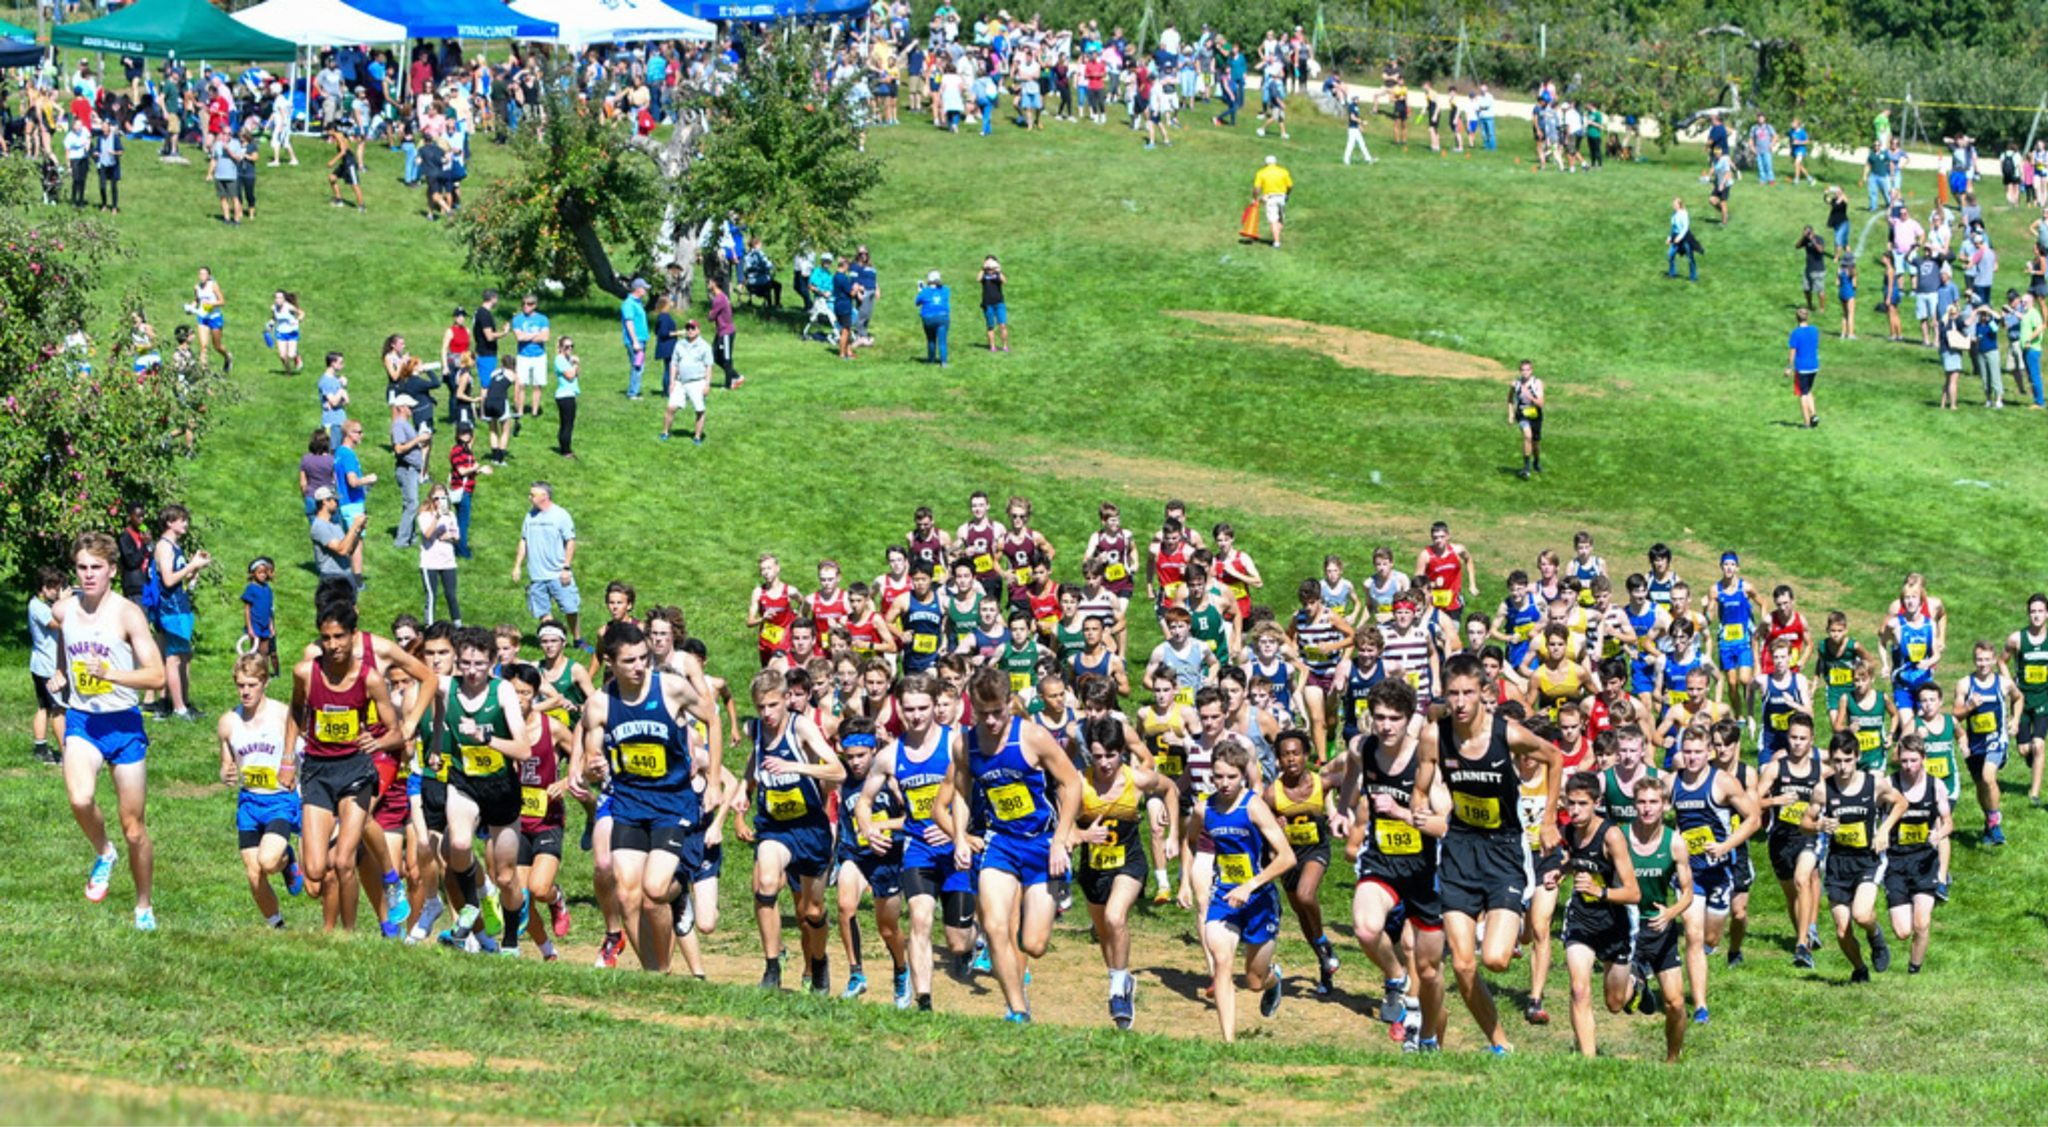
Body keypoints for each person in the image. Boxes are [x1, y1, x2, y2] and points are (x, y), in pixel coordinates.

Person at [1412, 652, 1561, 1054]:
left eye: (1467, 693)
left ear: (1484, 693)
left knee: (1495, 959)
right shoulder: (1435, 735)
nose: (1459, 702)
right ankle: (1500, 1045)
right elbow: (1421, 786)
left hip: (1504, 851)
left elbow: (1555, 756)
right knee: (1462, 964)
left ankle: (1519, 924)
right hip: (1460, 847)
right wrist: (1418, 806)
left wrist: (1549, 819)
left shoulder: (1507, 734)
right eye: (1452, 694)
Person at [933, 666, 1083, 1022]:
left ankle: (1052, 896)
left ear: (1009, 704)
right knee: (996, 926)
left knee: (1033, 944)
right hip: (999, 842)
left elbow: (1071, 783)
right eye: (982, 714)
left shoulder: (1031, 736)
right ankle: (1017, 1010)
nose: (990, 722)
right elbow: (962, 794)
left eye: (997, 712)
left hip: (1042, 844)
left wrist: (1062, 839)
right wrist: (959, 837)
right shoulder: (964, 745)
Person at [50, 533, 167, 928]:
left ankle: (143, 905)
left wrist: (112, 674)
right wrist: (61, 672)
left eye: (96, 568)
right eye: (82, 567)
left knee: (134, 828)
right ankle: (104, 852)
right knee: (80, 799)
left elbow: (157, 676)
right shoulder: (65, 610)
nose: (88, 575)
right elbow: (65, 641)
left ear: (112, 571)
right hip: (83, 720)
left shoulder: (127, 614)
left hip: (123, 724)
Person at [287, 597, 402, 931]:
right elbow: (296, 711)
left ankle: (348, 934)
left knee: (343, 861)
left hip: (355, 771)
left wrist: (378, 742)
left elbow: (396, 732)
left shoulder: (370, 679)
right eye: (326, 638)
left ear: (354, 636)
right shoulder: (305, 673)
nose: (333, 644)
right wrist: (286, 759)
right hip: (317, 772)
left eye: (339, 636)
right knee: (314, 868)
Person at [739, 667, 845, 992]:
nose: (767, 713)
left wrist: (796, 766)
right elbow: (753, 766)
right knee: (767, 884)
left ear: (787, 699)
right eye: (761, 707)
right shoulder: (757, 731)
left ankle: (819, 961)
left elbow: (838, 771)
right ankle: (772, 968)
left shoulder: (802, 728)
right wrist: (742, 797)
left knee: (812, 910)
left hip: (810, 828)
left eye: (772, 705)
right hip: (774, 827)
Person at [1071, 713, 1177, 1028]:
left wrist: (1172, 834)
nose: (1104, 763)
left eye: (1111, 756)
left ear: (1122, 753)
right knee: (1106, 935)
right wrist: (1083, 835)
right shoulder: (1079, 784)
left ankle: (1117, 988)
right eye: (1098, 756)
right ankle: (1122, 979)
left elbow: (1170, 788)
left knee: (1116, 918)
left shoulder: (1137, 779)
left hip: (1130, 864)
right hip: (1093, 871)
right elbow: (1061, 832)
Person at [432, 626, 531, 952]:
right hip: (464, 783)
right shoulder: (447, 687)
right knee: (458, 844)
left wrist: (486, 738)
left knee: (506, 877)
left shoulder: (501, 692)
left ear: (492, 663)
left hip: (501, 790)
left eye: (479, 664)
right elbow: (436, 710)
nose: (471, 672)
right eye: (465, 664)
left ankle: (512, 941)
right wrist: (436, 747)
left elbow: (524, 749)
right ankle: (473, 904)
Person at [1190, 741, 1294, 1042]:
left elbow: (1287, 857)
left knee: (1254, 980)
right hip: (1224, 896)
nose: (1224, 784)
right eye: (1218, 776)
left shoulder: (1253, 806)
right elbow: (1191, 840)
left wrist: (1250, 885)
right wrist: (1187, 878)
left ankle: (1273, 980)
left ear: (1243, 777)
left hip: (1259, 898)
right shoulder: (1204, 808)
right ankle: (1228, 1042)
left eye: (1231, 777)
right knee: (1222, 962)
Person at [1804, 732, 1906, 982]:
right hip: (1838, 863)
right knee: (1841, 930)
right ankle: (1860, 969)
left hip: (1868, 860)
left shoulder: (1875, 784)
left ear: (1857, 757)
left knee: (1861, 914)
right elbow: (1804, 822)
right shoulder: (1823, 789)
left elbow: (1901, 803)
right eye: (1837, 760)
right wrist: (1818, 826)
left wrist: (1884, 830)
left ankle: (1875, 936)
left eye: (1847, 760)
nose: (1842, 766)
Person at [1554, 770, 1639, 1059]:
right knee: (1579, 989)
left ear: (1596, 802)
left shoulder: (1611, 836)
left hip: (1613, 921)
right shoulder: (1569, 830)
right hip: (1581, 918)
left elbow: (1633, 893)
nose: (1574, 811)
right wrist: (1561, 872)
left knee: (1615, 1003)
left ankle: (1635, 984)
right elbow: (1575, 858)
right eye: (1570, 803)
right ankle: (1588, 1063)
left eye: (1582, 804)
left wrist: (1599, 891)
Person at [219, 653, 301, 927]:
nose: (245, 691)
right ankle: (276, 925)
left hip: (280, 800)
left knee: (267, 861)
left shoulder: (282, 715)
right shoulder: (229, 722)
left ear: (264, 682)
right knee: (254, 873)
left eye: (251, 684)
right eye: (241, 685)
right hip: (249, 803)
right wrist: (226, 773)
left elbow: (304, 753)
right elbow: (226, 764)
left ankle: (288, 859)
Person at [1623, 773, 1694, 1061]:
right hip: (1626, 929)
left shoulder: (1675, 843)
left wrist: (1670, 913)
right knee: (1619, 1002)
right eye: (1641, 802)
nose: (1647, 808)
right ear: (1634, 805)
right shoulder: (1620, 838)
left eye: (1654, 802)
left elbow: (1687, 893)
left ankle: (1672, 1060)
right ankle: (1639, 988)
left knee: (1676, 1003)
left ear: (1665, 805)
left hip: (1660, 925)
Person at [1885, 735, 1951, 974]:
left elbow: (1948, 822)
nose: (1909, 766)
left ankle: (1914, 970)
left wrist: (1939, 833)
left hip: (1924, 860)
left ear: (1924, 759)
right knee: (1903, 932)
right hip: (1895, 861)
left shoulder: (1936, 786)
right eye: (1904, 761)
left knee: (1922, 923)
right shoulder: (1889, 785)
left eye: (1914, 760)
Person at [150, 504, 210, 720]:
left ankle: (183, 702)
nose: (185, 523)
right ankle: (179, 708)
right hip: (171, 610)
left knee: (185, 656)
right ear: (169, 522)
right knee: (174, 658)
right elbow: (167, 579)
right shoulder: (164, 547)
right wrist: (191, 565)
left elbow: (179, 580)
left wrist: (195, 569)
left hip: (179, 607)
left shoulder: (174, 547)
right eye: (181, 519)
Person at [513, 482, 580, 646]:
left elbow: (570, 541)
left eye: (532, 495)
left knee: (571, 608)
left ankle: (578, 639)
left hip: (558, 573)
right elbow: (524, 540)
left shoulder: (560, 515)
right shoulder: (530, 516)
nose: (529, 497)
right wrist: (517, 566)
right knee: (543, 612)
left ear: (544, 496)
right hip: (537, 574)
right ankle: (553, 642)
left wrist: (566, 567)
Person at [29, 567, 68, 765]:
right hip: (47, 667)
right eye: (53, 588)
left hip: (41, 664)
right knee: (58, 710)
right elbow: (58, 624)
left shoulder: (41, 604)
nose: (56, 591)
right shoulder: (37, 607)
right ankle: (65, 755)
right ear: (43, 588)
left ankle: (41, 747)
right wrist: (65, 602)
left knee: (44, 707)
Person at [661, 319, 712, 445]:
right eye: (688, 328)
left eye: (693, 328)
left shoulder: (705, 346)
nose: (690, 330)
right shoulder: (680, 345)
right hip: (680, 381)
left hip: (697, 381)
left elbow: (709, 366)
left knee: (699, 409)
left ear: (698, 330)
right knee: (670, 407)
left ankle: (697, 436)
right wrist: (672, 382)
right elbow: (674, 363)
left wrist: (707, 384)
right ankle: (665, 432)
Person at [417, 482, 461, 625]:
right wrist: (437, 517)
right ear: (431, 499)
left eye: (443, 498)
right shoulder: (424, 515)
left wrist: (451, 536)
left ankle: (458, 624)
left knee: (451, 594)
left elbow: (457, 536)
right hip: (429, 562)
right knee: (431, 595)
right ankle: (429, 625)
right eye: (437, 498)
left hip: (448, 561)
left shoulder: (451, 515)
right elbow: (428, 534)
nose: (440, 501)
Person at [308, 486, 364, 596]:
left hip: (347, 575)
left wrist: (358, 531)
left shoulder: (335, 526)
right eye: (335, 500)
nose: (337, 503)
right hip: (332, 580)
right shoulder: (319, 526)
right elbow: (341, 550)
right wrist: (353, 526)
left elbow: (349, 550)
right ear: (325, 502)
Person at [389, 399, 429, 551]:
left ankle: (410, 538)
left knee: (411, 504)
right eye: (409, 406)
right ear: (401, 408)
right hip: (406, 469)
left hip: (412, 469)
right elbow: (399, 449)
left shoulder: (405, 424)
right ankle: (401, 541)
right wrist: (418, 439)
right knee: (412, 504)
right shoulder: (399, 425)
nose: (412, 408)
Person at [510, 293, 550, 421]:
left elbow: (545, 337)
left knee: (537, 384)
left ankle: (534, 411)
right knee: (521, 384)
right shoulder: (517, 319)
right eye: (524, 304)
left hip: (539, 356)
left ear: (535, 305)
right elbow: (519, 337)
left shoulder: (543, 319)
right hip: (523, 356)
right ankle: (520, 411)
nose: (526, 306)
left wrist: (528, 336)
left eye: (530, 304)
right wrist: (536, 334)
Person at [707, 275, 744, 389]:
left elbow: (711, 317)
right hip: (720, 332)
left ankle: (728, 384)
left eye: (709, 281)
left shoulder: (719, 299)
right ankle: (735, 376)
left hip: (726, 332)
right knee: (715, 356)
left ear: (714, 284)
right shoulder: (720, 297)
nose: (708, 283)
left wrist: (710, 314)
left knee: (726, 358)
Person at [1786, 307, 1821, 428]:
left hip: (1802, 367)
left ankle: (1806, 422)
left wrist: (1789, 367)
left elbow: (1792, 352)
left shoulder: (1796, 333)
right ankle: (1814, 414)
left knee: (1802, 394)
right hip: (1814, 365)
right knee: (1808, 390)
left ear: (1796, 318)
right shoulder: (1814, 330)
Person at [1509, 359, 1543, 478]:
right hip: (1522, 413)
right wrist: (1511, 414)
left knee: (1536, 443)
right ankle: (1526, 468)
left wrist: (1530, 397)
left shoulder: (1537, 383)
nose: (1525, 373)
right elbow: (1509, 399)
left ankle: (1536, 461)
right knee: (1527, 436)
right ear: (1520, 371)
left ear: (1531, 371)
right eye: (1523, 370)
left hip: (1535, 415)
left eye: (1527, 370)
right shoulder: (1515, 384)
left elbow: (1541, 403)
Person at [1253, 155, 1292, 250]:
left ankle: (1276, 242)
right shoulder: (1283, 171)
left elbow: (1257, 188)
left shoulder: (1261, 172)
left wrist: (1255, 198)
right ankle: (1277, 236)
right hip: (1282, 197)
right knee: (1281, 219)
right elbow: (1290, 186)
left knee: (1273, 220)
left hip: (1270, 197)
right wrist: (1287, 195)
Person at [620, 277, 650, 400]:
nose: (646, 291)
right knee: (637, 365)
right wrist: (635, 341)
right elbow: (629, 323)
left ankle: (635, 391)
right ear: (638, 289)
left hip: (641, 339)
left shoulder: (638, 303)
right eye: (644, 288)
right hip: (635, 341)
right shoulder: (628, 304)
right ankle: (632, 393)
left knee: (639, 365)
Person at [552, 336, 580, 458]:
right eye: (567, 346)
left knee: (568, 423)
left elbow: (577, 374)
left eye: (571, 346)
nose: (570, 349)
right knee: (567, 424)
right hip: (565, 396)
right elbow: (569, 376)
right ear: (561, 348)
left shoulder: (567, 359)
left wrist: (576, 364)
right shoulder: (559, 360)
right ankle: (565, 450)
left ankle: (565, 447)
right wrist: (574, 365)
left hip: (570, 394)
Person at [916, 270, 951, 366]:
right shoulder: (946, 290)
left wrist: (920, 292)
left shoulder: (924, 292)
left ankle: (931, 359)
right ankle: (944, 362)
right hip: (943, 317)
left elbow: (917, 302)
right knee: (942, 340)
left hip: (928, 318)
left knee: (931, 339)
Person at [324, 124, 362, 211]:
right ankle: (339, 200)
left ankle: (361, 206)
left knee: (354, 185)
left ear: (332, 129)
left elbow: (343, 151)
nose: (327, 133)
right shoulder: (338, 135)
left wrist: (332, 161)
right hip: (344, 163)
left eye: (328, 131)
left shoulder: (338, 136)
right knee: (332, 178)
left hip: (349, 163)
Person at [979, 256, 1009, 353]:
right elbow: (978, 279)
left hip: (999, 303)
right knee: (990, 326)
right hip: (988, 304)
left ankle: (1005, 346)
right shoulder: (984, 274)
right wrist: (983, 268)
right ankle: (992, 347)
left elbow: (1004, 281)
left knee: (1003, 325)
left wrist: (998, 270)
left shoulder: (997, 274)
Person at [1667, 197, 1699, 282]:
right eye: (1673, 204)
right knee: (1670, 255)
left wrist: (1680, 237)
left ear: (1679, 205)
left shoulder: (1683, 214)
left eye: (1675, 204)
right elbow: (1673, 228)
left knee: (1690, 258)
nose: (1673, 205)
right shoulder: (1673, 214)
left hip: (1685, 238)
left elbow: (1685, 227)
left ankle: (1693, 277)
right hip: (1676, 236)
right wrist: (1669, 238)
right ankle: (1672, 274)